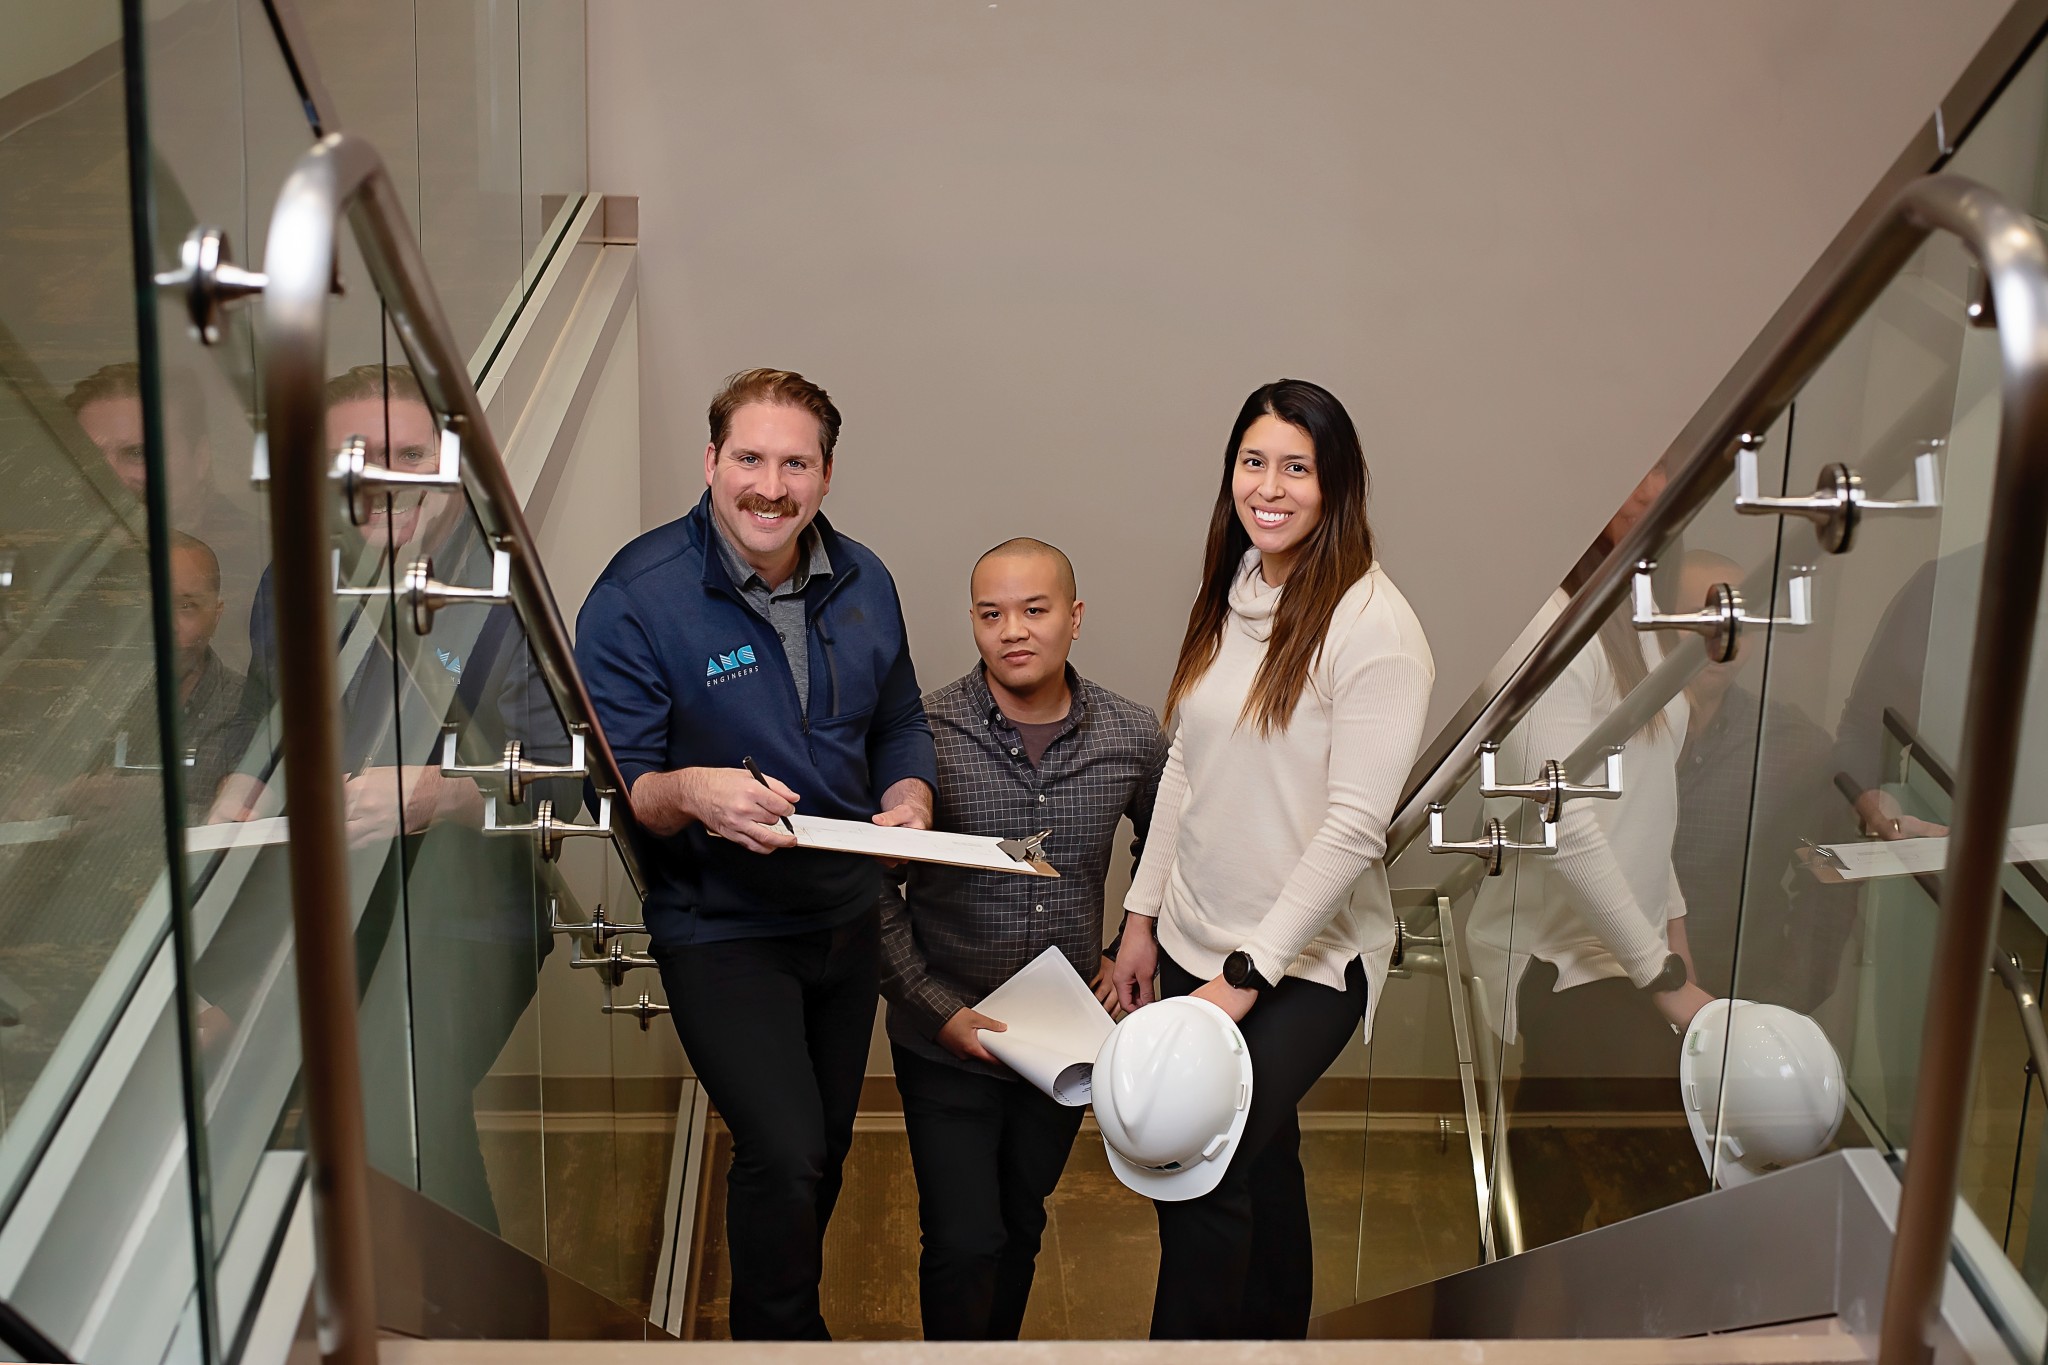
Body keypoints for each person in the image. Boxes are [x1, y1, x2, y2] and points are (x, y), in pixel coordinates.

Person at [575, 367, 936, 1341]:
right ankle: (776, 1342)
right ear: (709, 461)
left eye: (794, 464)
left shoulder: (866, 579)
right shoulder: (636, 596)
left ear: (824, 474)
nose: (769, 486)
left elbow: (899, 723)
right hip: (720, 926)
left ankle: (782, 1317)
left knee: (819, 1148)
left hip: (844, 917)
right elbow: (624, 793)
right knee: (780, 1152)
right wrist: (692, 789)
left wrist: (908, 796)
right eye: (748, 459)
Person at [1111, 378, 1434, 1340]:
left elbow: (1351, 830)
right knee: (1264, 1164)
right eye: (1254, 461)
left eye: (1298, 466)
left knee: (1201, 1165)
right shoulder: (1240, 586)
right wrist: (1141, 918)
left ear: (1337, 485)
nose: (1271, 485)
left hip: (1302, 962)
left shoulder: (1376, 629)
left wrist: (1246, 976)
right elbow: (1186, 768)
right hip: (1190, 939)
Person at [879, 536, 1164, 1341]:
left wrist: (1129, 939)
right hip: (945, 1031)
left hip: (1062, 1038)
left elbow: (1178, 845)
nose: (1014, 630)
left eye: (1035, 610)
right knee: (964, 1239)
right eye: (992, 612)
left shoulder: (1131, 735)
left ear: (1074, 619)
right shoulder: (922, 734)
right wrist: (935, 1007)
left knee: (1019, 1221)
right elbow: (868, 889)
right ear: (972, 621)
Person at [1465, 466, 1710, 1247]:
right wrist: (1659, 976)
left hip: (1626, 958)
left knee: (1560, 1201)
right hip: (1563, 960)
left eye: (1673, 463)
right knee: (1663, 1194)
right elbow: (1563, 820)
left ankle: (1527, 1320)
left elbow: (1646, 806)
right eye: (1642, 463)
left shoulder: (1640, 613)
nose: (1661, 479)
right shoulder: (1554, 623)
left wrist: (1676, 950)